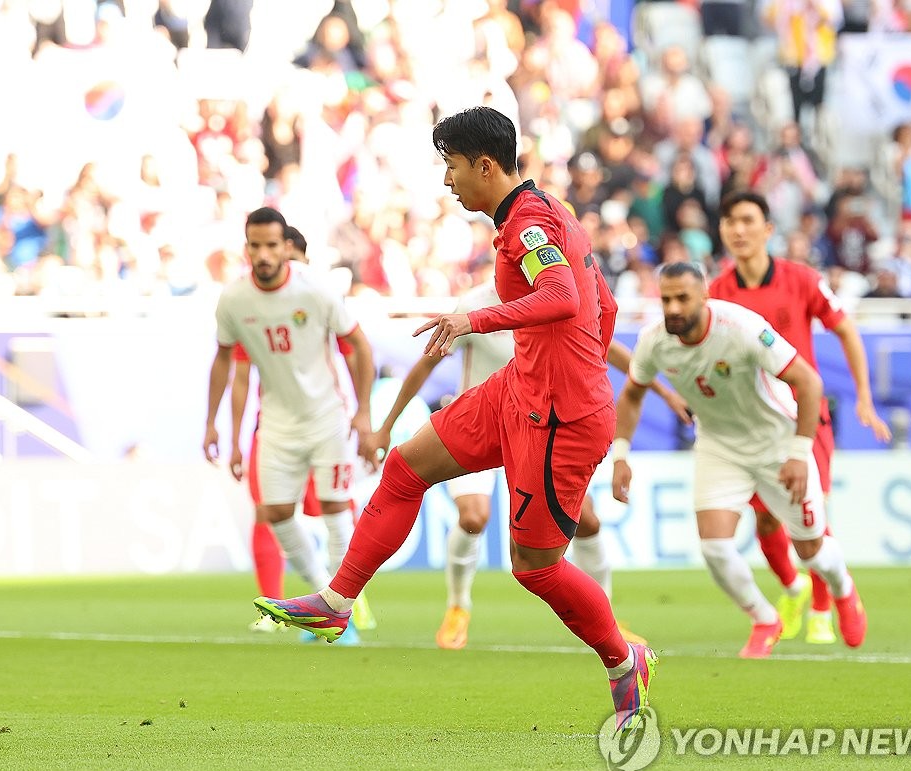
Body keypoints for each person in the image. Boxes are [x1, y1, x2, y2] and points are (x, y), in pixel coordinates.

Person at [254, 106, 657, 732]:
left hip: (562, 418)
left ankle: (622, 658)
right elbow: (599, 305)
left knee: (536, 567)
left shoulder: (529, 223)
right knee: (404, 468)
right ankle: (337, 602)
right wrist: (569, 355)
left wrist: (476, 321)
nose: (448, 181)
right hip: (520, 389)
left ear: (485, 166)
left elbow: (565, 297)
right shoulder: (544, 213)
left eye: (453, 166)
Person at [370, 279, 692, 650]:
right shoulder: (474, 302)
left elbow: (613, 353)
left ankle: (608, 616)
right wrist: (386, 427)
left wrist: (665, 391)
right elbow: (425, 366)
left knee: (587, 521)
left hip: (536, 432)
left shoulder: (558, 297)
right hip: (480, 423)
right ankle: (458, 607)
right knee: (473, 516)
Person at [612, 261, 867, 658]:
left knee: (811, 549)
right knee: (714, 546)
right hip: (719, 445)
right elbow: (631, 393)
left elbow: (809, 382)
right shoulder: (654, 340)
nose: (674, 308)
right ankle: (764, 618)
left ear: (705, 296)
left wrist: (800, 453)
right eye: (666, 299)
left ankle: (843, 590)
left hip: (776, 442)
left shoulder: (743, 328)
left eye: (683, 298)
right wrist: (621, 454)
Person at [712, 191, 891, 645]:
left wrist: (864, 397)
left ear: (768, 230)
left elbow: (845, 329)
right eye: (730, 221)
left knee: (809, 516)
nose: (738, 230)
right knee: (768, 523)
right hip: (752, 425)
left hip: (804, 419)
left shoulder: (802, 280)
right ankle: (794, 590)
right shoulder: (717, 294)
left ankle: (822, 604)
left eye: (748, 220)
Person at [205, 206, 376, 642]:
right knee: (276, 513)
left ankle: (342, 614)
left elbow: (358, 345)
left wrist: (363, 411)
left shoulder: (315, 291)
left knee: (337, 509)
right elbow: (225, 360)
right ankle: (322, 602)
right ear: (246, 248)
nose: (263, 254)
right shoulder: (234, 300)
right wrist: (212, 424)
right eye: (255, 246)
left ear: (285, 247)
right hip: (277, 424)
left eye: (271, 245)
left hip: (326, 418)